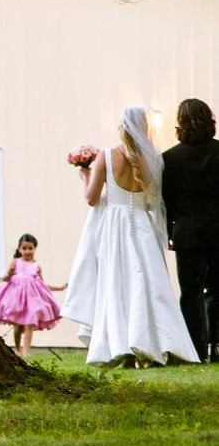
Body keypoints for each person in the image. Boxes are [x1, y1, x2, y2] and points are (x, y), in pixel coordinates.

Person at [64, 107, 199, 366]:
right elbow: (151, 204)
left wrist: (85, 176)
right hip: (141, 224)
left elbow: (92, 199)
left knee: (117, 283)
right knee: (148, 284)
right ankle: (156, 343)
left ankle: (120, 343)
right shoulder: (153, 160)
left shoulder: (106, 156)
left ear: (121, 127)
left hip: (114, 226)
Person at [164, 98, 219, 362]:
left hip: (186, 235)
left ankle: (195, 350)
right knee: (217, 291)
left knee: (191, 295)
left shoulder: (169, 159)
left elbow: (167, 201)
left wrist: (168, 231)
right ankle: (217, 348)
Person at [0, 233, 63, 357]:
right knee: (18, 327)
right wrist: (9, 274)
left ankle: (26, 352)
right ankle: (17, 349)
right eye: (24, 248)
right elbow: (5, 279)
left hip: (32, 300)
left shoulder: (36, 266)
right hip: (17, 300)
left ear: (35, 249)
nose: (27, 251)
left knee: (30, 323)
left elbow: (42, 285)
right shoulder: (16, 262)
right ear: (19, 249)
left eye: (30, 248)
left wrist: (60, 288)